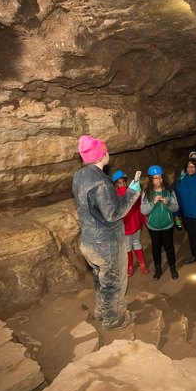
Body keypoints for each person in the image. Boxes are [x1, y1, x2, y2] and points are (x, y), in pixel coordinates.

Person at [72, 135, 140, 330]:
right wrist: (132, 193)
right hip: (106, 242)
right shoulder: (101, 184)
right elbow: (113, 213)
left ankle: (103, 311)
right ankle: (114, 319)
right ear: (102, 155)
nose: (108, 153)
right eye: (106, 150)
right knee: (114, 281)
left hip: (89, 240)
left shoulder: (79, 176)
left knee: (101, 278)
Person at [140, 165, 179, 280]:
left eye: (160, 177)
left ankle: (172, 267)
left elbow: (175, 208)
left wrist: (169, 204)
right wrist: (153, 203)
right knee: (156, 248)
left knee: (169, 246)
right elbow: (143, 211)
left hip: (168, 225)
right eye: (155, 178)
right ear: (151, 179)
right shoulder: (147, 193)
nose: (158, 180)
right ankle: (158, 269)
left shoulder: (169, 191)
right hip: (154, 227)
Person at [112, 170, 149, 276]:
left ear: (126, 182)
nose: (122, 184)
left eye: (123, 182)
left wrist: (143, 220)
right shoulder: (115, 196)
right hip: (125, 226)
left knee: (137, 243)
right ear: (115, 184)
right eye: (119, 183)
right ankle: (130, 266)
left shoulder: (133, 191)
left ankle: (142, 264)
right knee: (128, 246)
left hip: (135, 223)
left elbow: (139, 207)